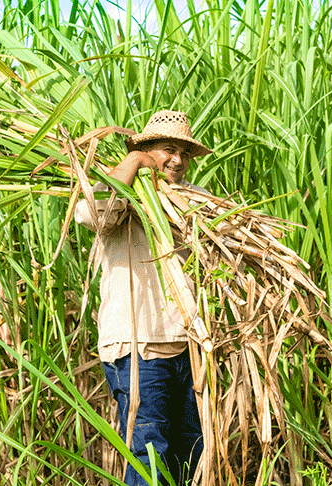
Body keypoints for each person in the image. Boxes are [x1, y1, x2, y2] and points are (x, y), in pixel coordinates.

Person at [75, 111, 212, 485]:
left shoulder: (193, 199)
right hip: (138, 349)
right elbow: (92, 216)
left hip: (190, 347)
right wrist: (133, 163)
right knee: (149, 452)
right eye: (169, 150)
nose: (179, 161)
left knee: (192, 455)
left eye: (185, 153)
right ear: (147, 150)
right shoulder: (121, 192)